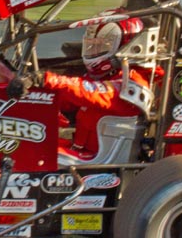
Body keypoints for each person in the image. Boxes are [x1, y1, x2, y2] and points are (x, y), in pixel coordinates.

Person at [39, 10, 161, 158]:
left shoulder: (133, 82)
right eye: (92, 45)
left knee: (29, 153)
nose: (94, 50)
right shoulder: (106, 76)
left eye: (102, 46)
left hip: (99, 165)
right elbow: (69, 101)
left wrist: (45, 79)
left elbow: (88, 91)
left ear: (125, 47)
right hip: (80, 151)